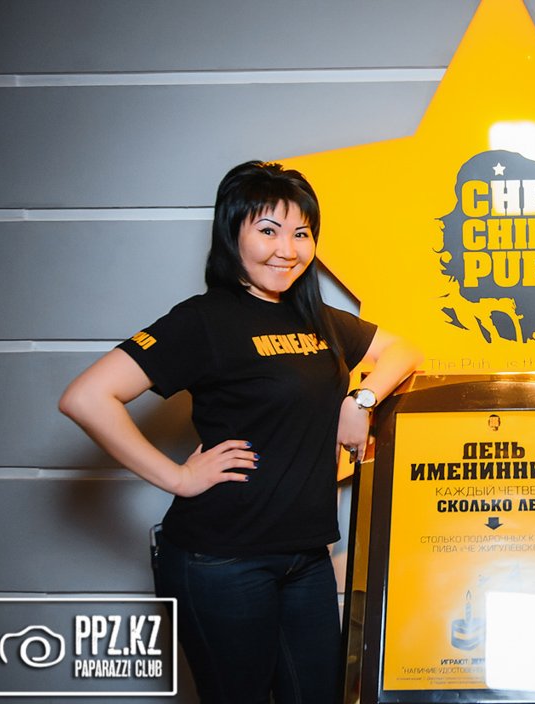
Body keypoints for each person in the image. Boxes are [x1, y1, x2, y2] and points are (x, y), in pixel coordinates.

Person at [59, 160, 422, 703]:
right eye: (268, 230)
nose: (287, 250)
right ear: (233, 234)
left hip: (305, 557)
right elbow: (86, 397)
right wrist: (178, 478)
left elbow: (405, 349)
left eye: (301, 233)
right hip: (222, 560)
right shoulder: (204, 320)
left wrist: (360, 398)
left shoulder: (316, 318)